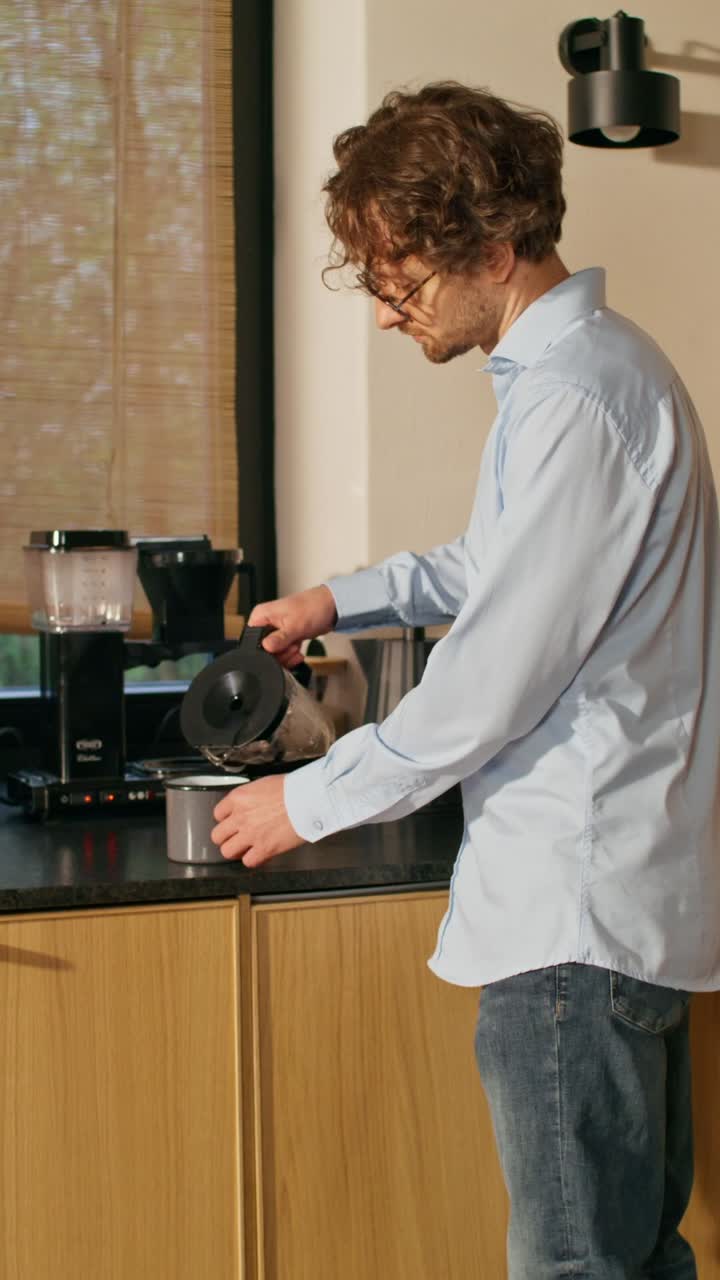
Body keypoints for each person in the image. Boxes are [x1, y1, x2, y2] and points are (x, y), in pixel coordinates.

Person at [211, 82, 720, 1278]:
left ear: (492, 248)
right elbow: (501, 566)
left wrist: (308, 798)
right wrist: (345, 597)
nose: (390, 314)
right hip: (613, 909)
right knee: (635, 1260)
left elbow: (492, 678)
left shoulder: (577, 399)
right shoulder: (589, 378)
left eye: (403, 278)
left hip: (571, 923)